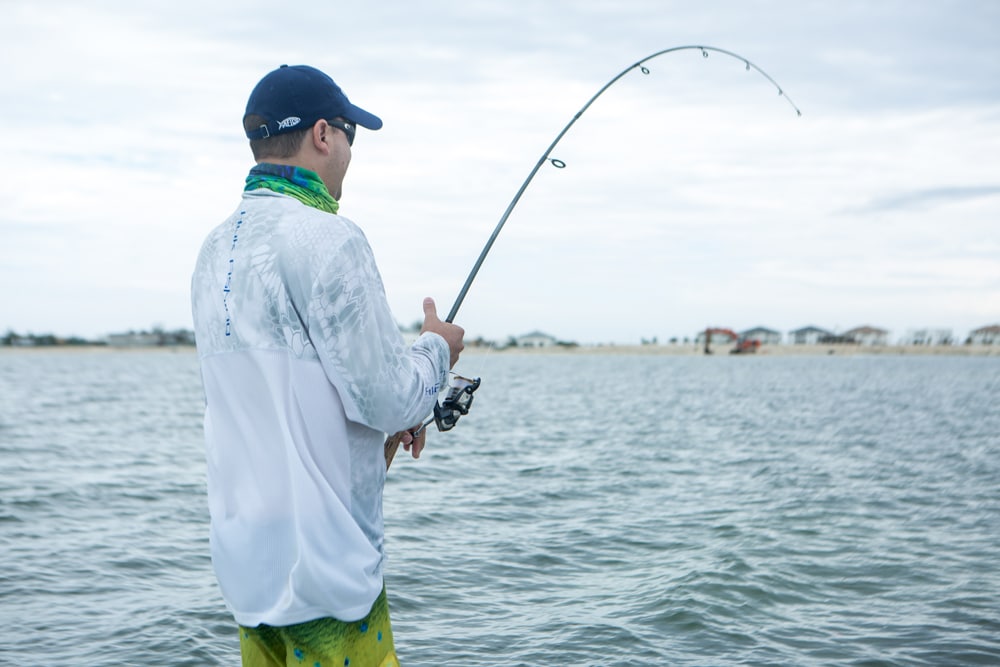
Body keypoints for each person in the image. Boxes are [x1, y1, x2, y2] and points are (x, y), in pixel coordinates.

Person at [190, 64, 464, 667]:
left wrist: (385, 425)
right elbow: (389, 397)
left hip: (250, 577)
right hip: (329, 583)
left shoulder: (212, 252)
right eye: (349, 135)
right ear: (322, 134)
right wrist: (436, 350)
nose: (348, 151)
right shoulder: (329, 239)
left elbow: (291, 400)